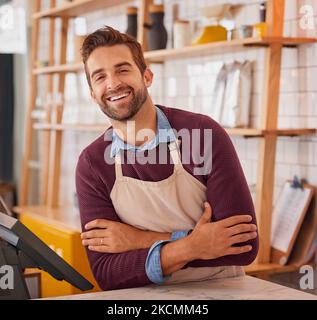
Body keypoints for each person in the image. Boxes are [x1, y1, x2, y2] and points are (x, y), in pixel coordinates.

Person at [76, 26, 259, 291]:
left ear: (147, 76)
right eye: (100, 76)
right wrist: (195, 245)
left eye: (123, 69)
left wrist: (138, 239)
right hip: (138, 297)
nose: (113, 83)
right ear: (93, 94)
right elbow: (106, 273)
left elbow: (243, 247)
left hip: (220, 289)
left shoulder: (203, 135)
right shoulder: (92, 164)